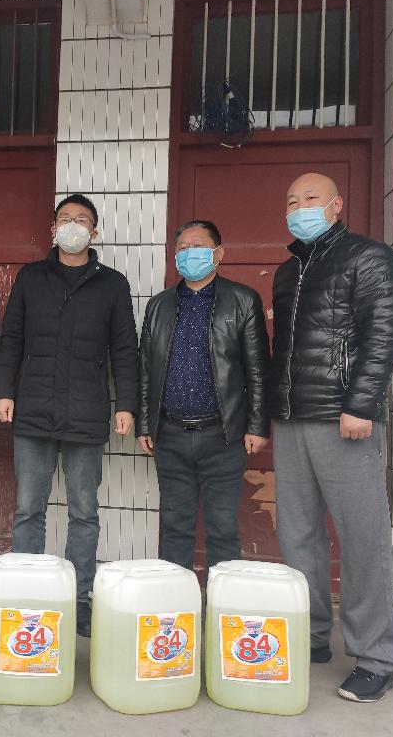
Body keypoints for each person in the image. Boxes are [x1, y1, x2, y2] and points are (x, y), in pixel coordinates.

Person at [267, 172, 393, 703]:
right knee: (299, 537)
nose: (299, 207)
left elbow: (386, 333)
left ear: (336, 205)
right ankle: (311, 636)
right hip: (293, 419)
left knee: (361, 539)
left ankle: (375, 658)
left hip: (344, 420)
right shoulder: (288, 271)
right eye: (291, 201)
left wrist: (360, 404)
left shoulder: (368, 258)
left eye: (310, 198)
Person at [0, 193, 138, 637]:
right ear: (53, 228)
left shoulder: (112, 284)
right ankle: (26, 595)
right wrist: (3, 390)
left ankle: (78, 599)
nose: (73, 225)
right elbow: (11, 338)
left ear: (94, 231)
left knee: (84, 512)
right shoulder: (32, 277)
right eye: (65, 218)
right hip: (33, 410)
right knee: (28, 510)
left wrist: (127, 403)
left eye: (81, 220)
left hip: (86, 411)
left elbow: (125, 349)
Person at [137, 220, 269, 571]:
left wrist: (257, 425)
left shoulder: (242, 301)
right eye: (182, 248)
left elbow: (258, 368)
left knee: (222, 528)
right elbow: (146, 368)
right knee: (174, 527)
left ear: (218, 253)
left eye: (197, 246)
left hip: (223, 435)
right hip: (170, 434)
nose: (189, 253)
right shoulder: (159, 306)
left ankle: (223, 602)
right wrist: (145, 423)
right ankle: (175, 603)